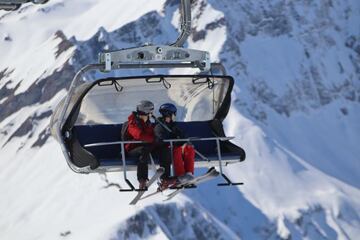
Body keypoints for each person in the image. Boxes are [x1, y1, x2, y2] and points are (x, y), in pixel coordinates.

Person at [124, 100, 173, 189]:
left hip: (147, 146)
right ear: (146, 112)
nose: (151, 114)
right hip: (133, 149)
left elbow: (153, 134)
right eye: (151, 112)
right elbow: (139, 135)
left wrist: (159, 134)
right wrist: (154, 139)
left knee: (164, 148)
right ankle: (142, 179)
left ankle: (165, 178)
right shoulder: (133, 123)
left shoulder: (148, 123)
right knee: (144, 150)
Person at [154, 103, 195, 185]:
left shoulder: (173, 126)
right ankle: (180, 175)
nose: (174, 116)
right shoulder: (159, 126)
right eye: (173, 114)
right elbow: (162, 139)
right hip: (165, 149)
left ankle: (189, 174)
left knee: (189, 148)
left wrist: (185, 142)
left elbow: (182, 136)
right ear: (169, 114)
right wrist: (177, 141)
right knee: (177, 149)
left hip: (174, 147)